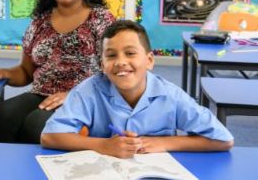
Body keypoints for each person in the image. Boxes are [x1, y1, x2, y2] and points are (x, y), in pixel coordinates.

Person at [0, 0, 115, 143]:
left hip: (85, 98)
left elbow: (113, 72)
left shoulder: (101, 19)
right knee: (3, 114)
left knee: (37, 124)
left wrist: (73, 95)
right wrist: (3, 73)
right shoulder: (39, 21)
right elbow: (26, 71)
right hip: (41, 93)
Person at [41, 20, 233, 157]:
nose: (121, 62)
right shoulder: (89, 90)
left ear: (149, 60)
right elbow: (49, 136)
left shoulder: (170, 95)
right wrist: (104, 145)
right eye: (111, 55)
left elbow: (224, 139)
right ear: (102, 64)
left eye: (130, 53)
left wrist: (163, 143)